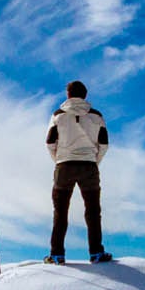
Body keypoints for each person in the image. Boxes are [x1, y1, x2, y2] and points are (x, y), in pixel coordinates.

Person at [45, 80, 112, 264]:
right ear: (85, 95)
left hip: (64, 166)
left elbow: (50, 143)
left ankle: (57, 255)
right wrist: (94, 161)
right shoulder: (96, 116)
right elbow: (104, 144)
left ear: (68, 95)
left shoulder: (58, 115)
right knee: (93, 211)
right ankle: (96, 253)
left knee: (60, 211)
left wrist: (59, 159)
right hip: (89, 166)